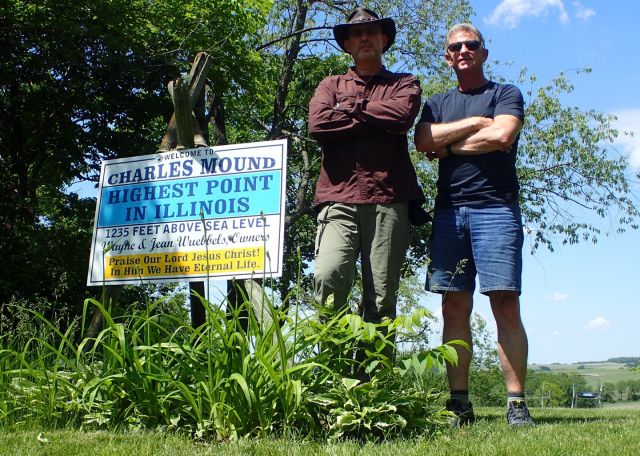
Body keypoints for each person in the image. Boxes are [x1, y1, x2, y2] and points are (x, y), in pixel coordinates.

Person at [414, 23, 534, 427]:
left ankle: (516, 404)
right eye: (455, 47)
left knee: (504, 303)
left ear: (483, 52)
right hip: (449, 213)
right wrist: (476, 125)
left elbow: (502, 135)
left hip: (496, 210)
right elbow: (422, 141)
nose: (463, 50)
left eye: (471, 45)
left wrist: (447, 147)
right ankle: (459, 403)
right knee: (453, 306)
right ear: (448, 57)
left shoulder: (505, 94)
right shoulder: (436, 102)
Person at [308, 7, 423, 375]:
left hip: (388, 200)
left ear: (383, 39)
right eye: (356, 34)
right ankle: (331, 378)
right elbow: (318, 124)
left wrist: (350, 111)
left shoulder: (405, 83)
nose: (364, 38)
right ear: (347, 45)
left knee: (381, 296)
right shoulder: (330, 85)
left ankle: (373, 384)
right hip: (337, 198)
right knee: (328, 279)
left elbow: (401, 117)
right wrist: (372, 114)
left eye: (371, 32)